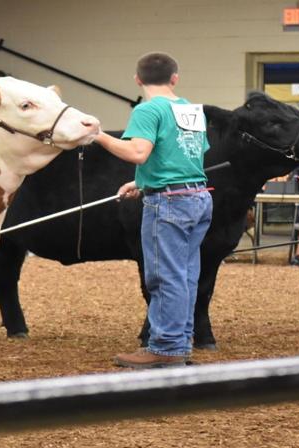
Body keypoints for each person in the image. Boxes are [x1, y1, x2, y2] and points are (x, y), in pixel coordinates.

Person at [95, 52, 210, 369]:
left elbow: (138, 152)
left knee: (164, 277)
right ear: (176, 78)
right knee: (186, 276)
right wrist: (142, 183)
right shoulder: (190, 110)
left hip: (169, 203)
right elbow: (187, 158)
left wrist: (99, 136)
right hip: (197, 196)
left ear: (137, 79)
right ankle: (180, 344)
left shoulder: (147, 110)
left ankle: (165, 347)